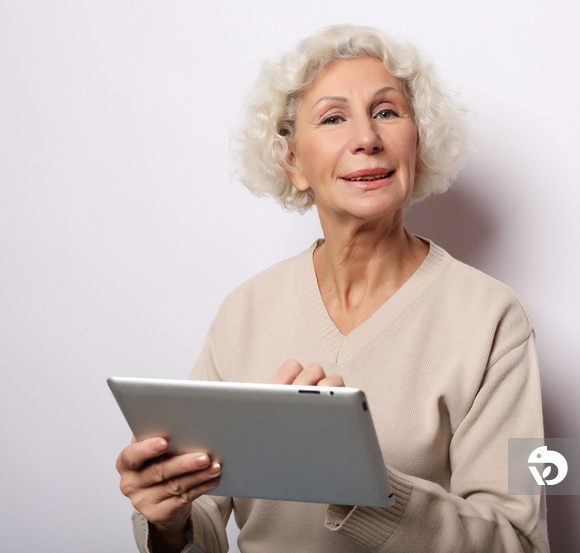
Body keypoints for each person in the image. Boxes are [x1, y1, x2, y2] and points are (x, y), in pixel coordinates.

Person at [116, 24, 549, 553]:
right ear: (293, 161)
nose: (367, 137)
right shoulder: (246, 310)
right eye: (333, 118)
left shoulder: (491, 317)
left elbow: (518, 543)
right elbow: (201, 521)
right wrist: (169, 519)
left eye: (387, 112)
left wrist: (359, 480)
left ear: (418, 143)